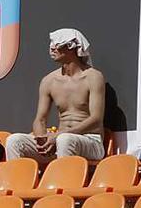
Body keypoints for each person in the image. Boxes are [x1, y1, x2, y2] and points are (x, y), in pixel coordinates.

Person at [6, 28, 107, 164]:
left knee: (65, 139)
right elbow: (40, 119)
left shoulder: (93, 77)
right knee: (14, 141)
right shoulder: (49, 81)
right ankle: (18, 179)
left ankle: (65, 178)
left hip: (90, 140)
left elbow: (96, 119)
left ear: (72, 47)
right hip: (58, 141)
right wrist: (42, 139)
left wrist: (59, 135)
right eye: (51, 44)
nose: (52, 48)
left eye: (57, 44)